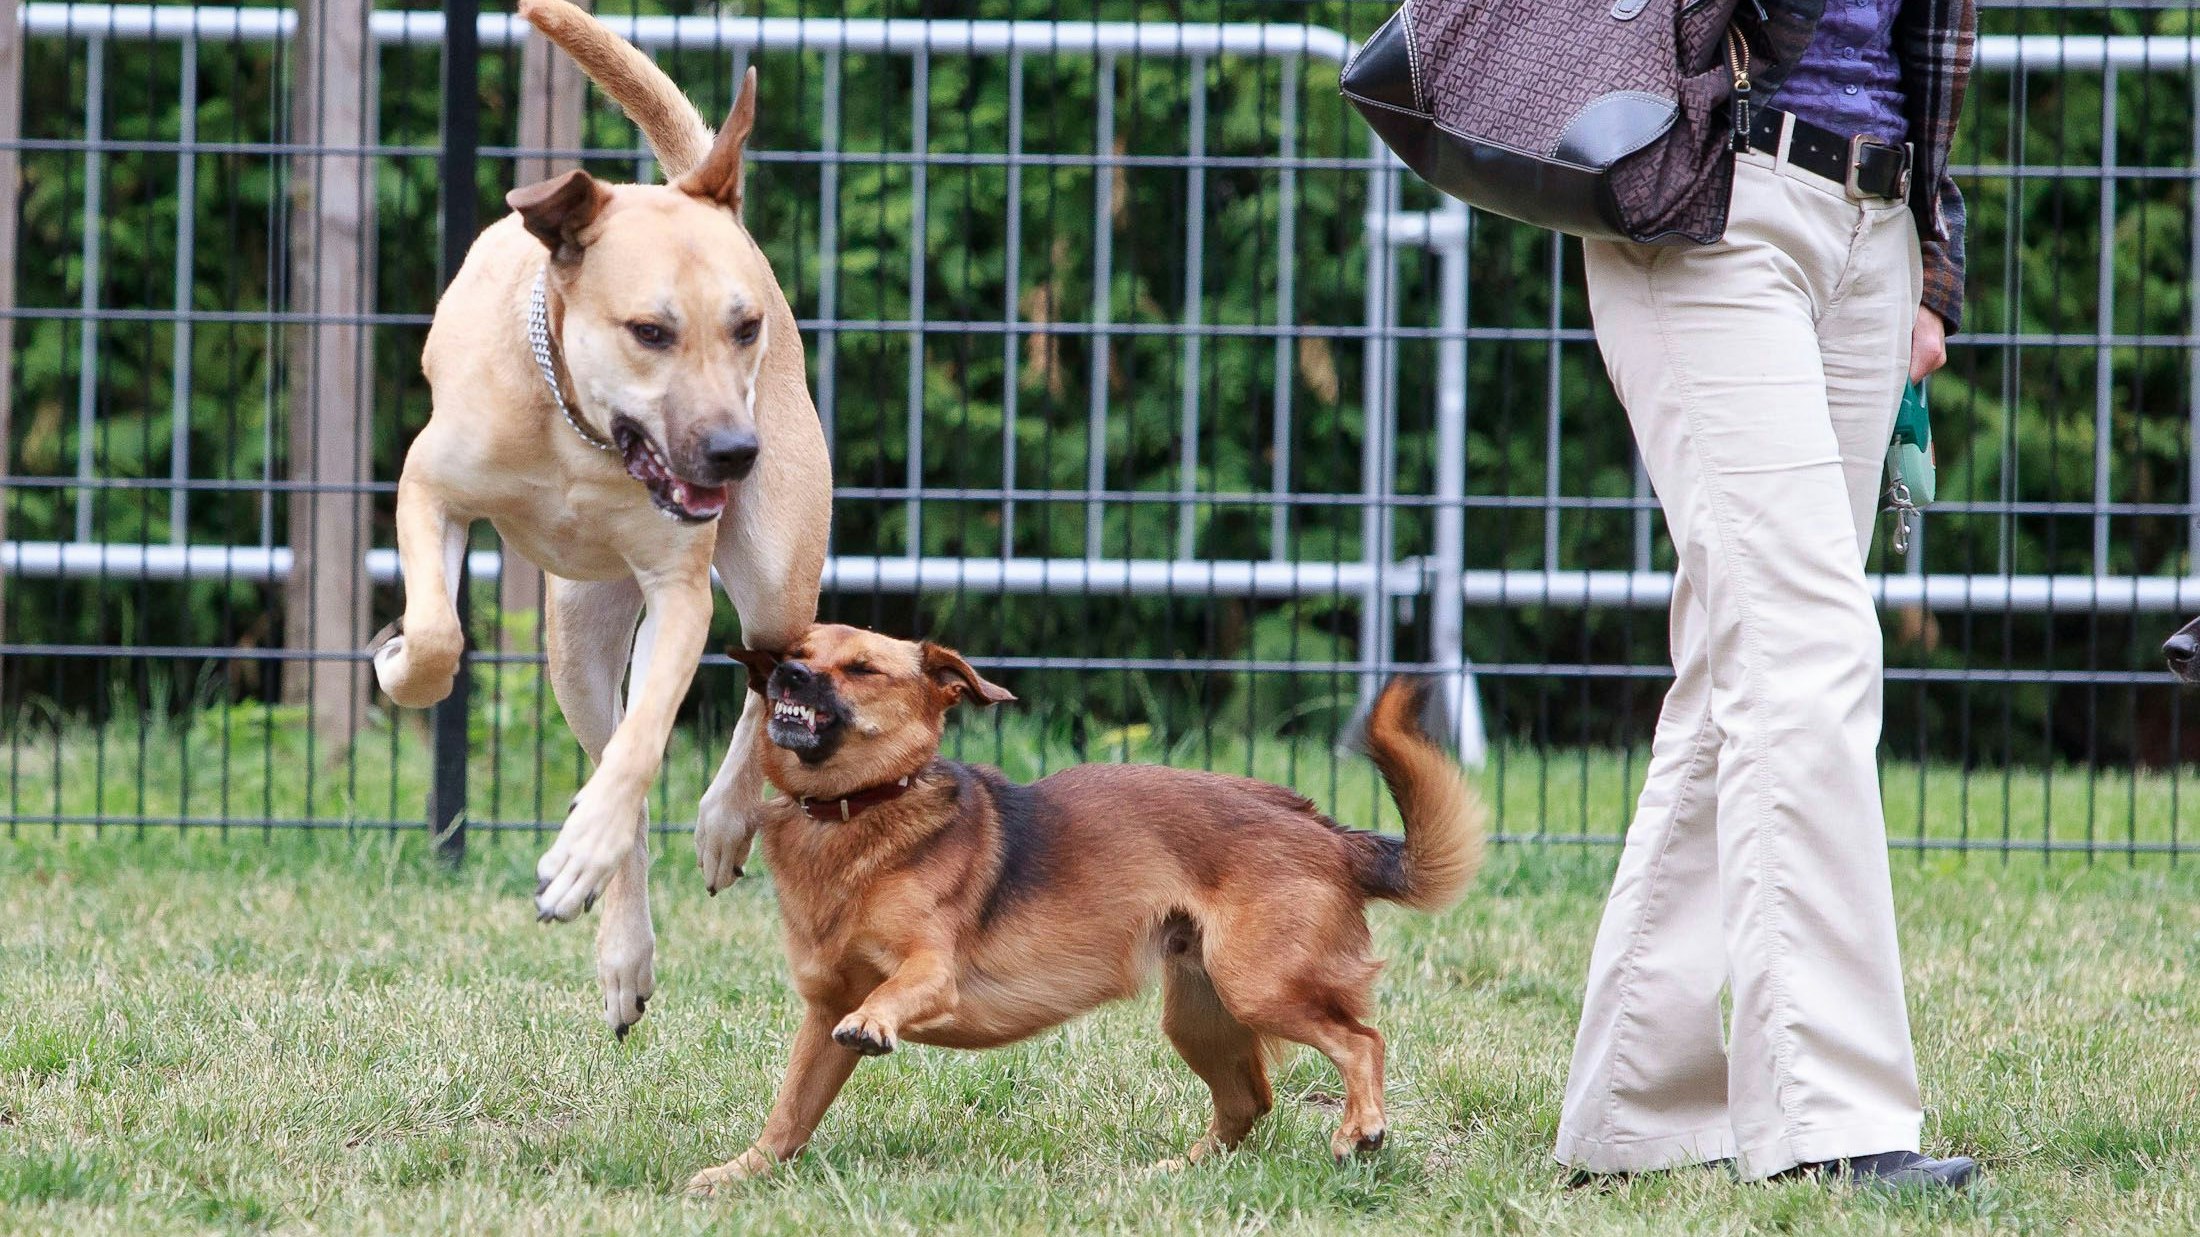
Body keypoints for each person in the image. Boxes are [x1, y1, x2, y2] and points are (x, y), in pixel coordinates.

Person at [1551, 0, 1979, 1190]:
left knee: (1743, 662)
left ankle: (1635, 1115)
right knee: (1806, 644)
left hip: (1870, 219)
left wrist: (1927, 268)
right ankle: (1834, 1125)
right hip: (1709, 197)